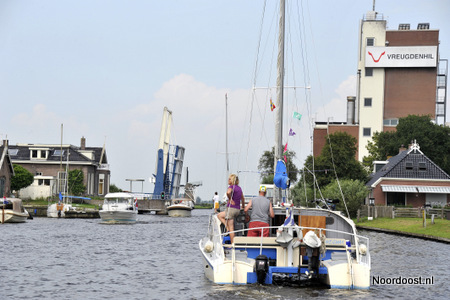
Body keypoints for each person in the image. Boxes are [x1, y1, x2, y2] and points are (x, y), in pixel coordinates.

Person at [217, 174, 245, 244]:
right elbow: (243, 198)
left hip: (231, 209)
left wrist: (230, 199)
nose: (228, 180)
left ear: (232, 180)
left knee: (231, 229)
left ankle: (232, 244)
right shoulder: (239, 188)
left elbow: (228, 192)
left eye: (229, 179)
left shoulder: (231, 187)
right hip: (237, 210)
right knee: (219, 215)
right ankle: (227, 227)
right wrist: (243, 207)